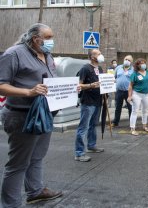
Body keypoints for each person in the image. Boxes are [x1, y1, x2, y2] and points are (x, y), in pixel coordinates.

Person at [0, 23, 63, 207]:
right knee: (18, 163)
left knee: (37, 156)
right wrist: (29, 92)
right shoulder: (14, 53)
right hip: (21, 115)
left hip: (44, 114)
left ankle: (35, 191)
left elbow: (51, 81)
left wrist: (67, 88)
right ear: (36, 38)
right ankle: (9, 204)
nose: (52, 42)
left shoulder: (47, 55)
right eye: (49, 38)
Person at [75, 49, 105, 162]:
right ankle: (79, 153)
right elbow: (79, 85)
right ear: (92, 57)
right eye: (98, 54)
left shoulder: (100, 69)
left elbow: (102, 83)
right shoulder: (85, 68)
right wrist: (91, 85)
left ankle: (91, 146)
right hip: (88, 102)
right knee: (83, 127)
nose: (100, 55)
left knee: (93, 125)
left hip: (98, 101)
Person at [128, 58, 148, 135]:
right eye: (141, 63)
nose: (143, 65)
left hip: (146, 94)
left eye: (144, 63)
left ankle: (144, 126)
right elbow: (130, 86)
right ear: (137, 65)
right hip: (137, 94)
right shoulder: (135, 74)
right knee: (135, 111)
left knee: (145, 110)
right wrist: (129, 96)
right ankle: (132, 128)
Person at [111, 55, 133, 127]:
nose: (127, 61)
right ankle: (115, 122)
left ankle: (131, 123)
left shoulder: (133, 70)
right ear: (123, 59)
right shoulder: (118, 68)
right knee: (117, 107)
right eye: (126, 59)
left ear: (131, 62)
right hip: (119, 91)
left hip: (128, 92)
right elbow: (114, 77)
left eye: (129, 60)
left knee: (130, 108)